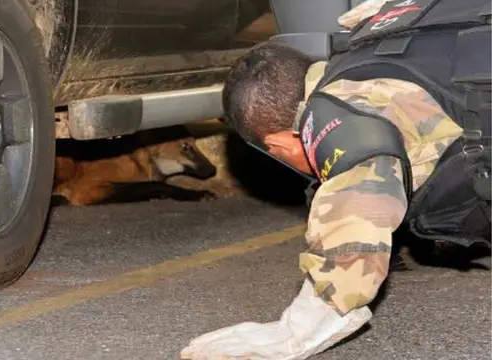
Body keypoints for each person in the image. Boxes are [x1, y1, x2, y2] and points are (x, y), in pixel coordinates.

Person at [180, 0, 491, 359]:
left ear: (278, 142)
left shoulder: (339, 111)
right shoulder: (368, 45)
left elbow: (360, 203)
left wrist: (293, 333)